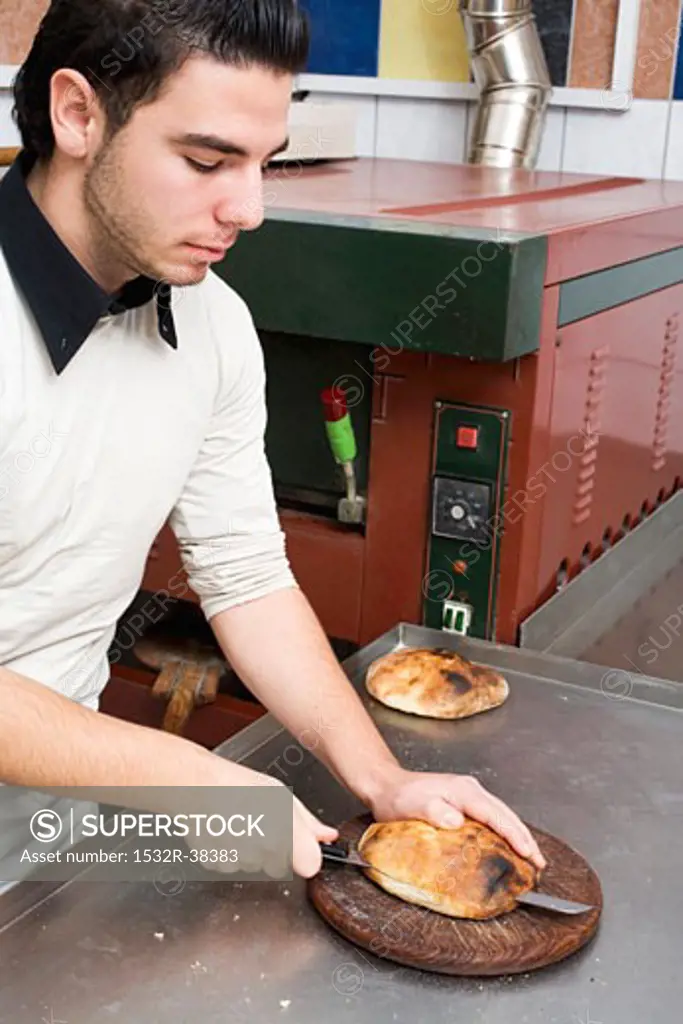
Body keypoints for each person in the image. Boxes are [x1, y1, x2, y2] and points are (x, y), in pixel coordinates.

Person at [0, 0, 545, 881]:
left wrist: (382, 776)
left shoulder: (212, 325)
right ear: (76, 114)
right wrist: (180, 774)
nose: (248, 208)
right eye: (206, 160)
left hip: (47, 834)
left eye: (263, 164)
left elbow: (245, 574)